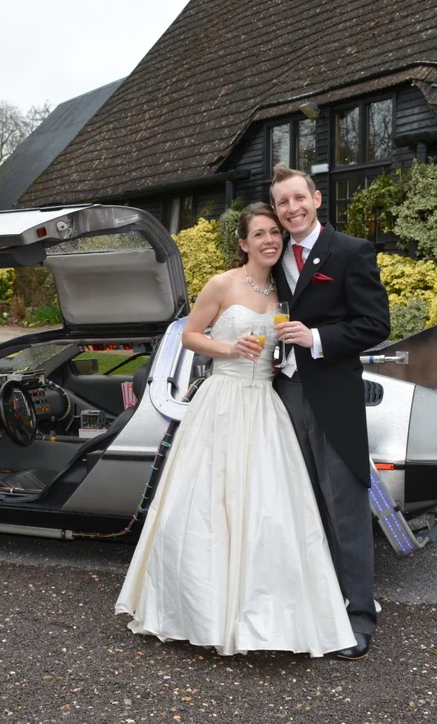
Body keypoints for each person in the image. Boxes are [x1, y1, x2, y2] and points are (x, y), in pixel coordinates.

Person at [115, 203, 355, 658]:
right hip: (222, 404)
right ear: (243, 243)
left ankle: (267, 617)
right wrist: (228, 347)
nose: (270, 240)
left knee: (270, 512)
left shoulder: (287, 292)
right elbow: (189, 335)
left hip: (265, 406)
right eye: (260, 234)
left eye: (275, 234)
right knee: (204, 506)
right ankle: (198, 609)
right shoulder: (222, 283)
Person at [269, 163, 391, 660]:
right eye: (283, 203)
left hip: (333, 396)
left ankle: (359, 615)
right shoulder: (273, 258)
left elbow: (375, 324)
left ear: (317, 199)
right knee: (298, 502)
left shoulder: (350, 251)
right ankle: (314, 604)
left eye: (299, 198)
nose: (292, 208)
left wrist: (317, 338)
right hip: (282, 396)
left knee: (344, 505)